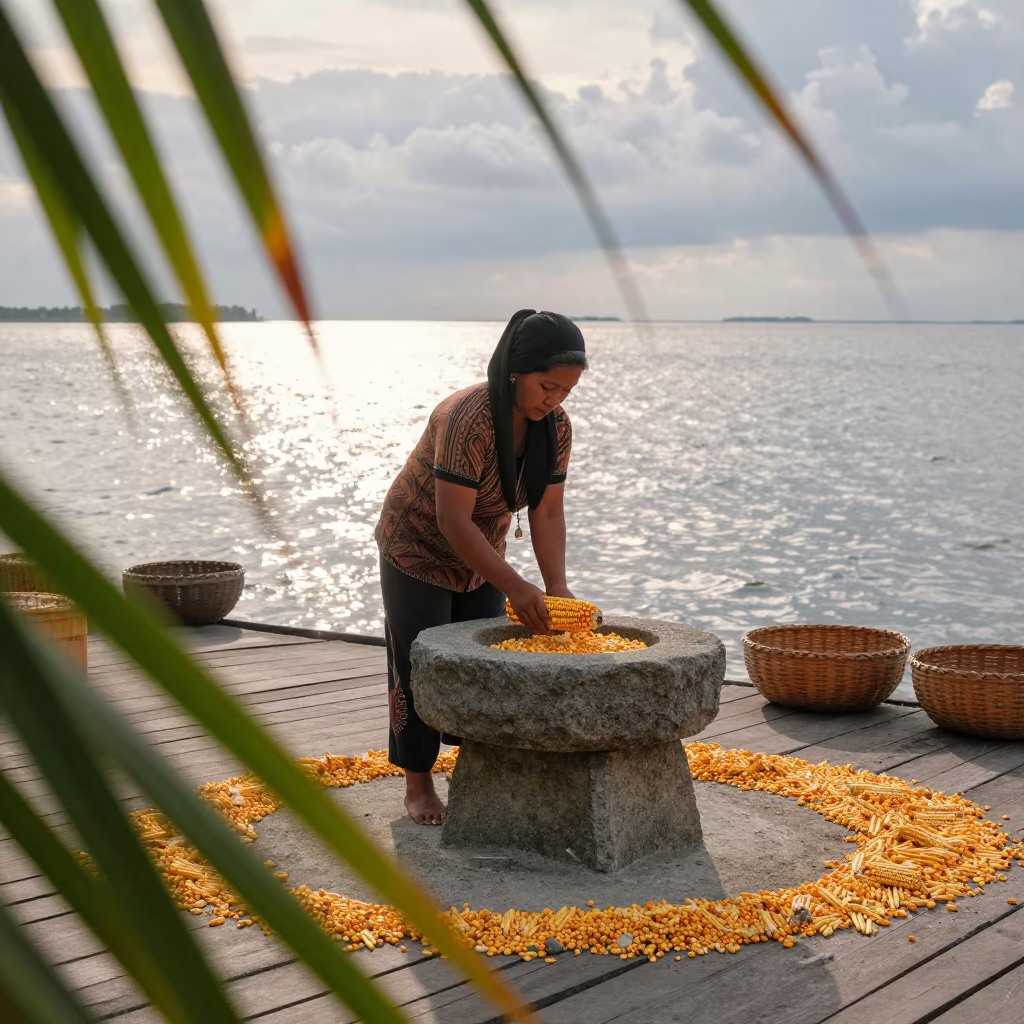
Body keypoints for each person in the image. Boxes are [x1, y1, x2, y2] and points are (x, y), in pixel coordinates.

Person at [374, 309, 587, 825]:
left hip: (481, 555)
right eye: (547, 385)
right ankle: (418, 784)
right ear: (516, 369)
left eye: (566, 390)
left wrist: (555, 588)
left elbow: (548, 510)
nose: (554, 399)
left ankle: (477, 773)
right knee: (417, 661)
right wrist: (517, 587)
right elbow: (451, 520)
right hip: (418, 545)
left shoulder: (554, 427)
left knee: (484, 659)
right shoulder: (467, 417)